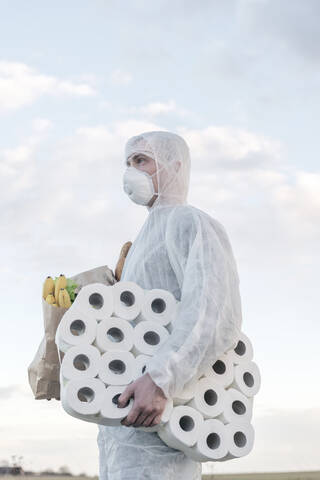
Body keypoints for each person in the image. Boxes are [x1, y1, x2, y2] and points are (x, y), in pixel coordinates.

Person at [97, 130, 243, 479]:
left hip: (164, 424)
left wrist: (162, 378)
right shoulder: (139, 245)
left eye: (142, 160)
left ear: (174, 165)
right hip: (123, 430)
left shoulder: (190, 224)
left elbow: (214, 312)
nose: (131, 172)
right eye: (128, 162)